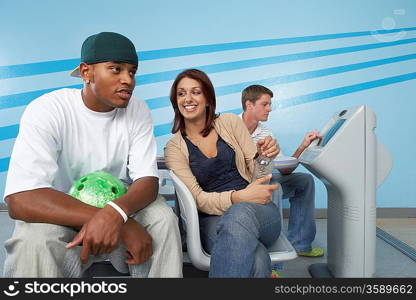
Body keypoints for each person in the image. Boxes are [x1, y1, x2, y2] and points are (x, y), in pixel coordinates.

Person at [3, 32, 183, 277]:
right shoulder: (48, 109)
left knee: (163, 220)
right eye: (116, 69)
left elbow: (147, 181)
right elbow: (21, 199)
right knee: (32, 241)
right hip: (62, 210)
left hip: (121, 204)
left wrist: (116, 214)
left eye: (132, 72)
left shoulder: (138, 109)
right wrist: (118, 222)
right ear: (86, 73)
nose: (127, 80)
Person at [164, 69, 281, 278]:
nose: (188, 99)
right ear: (176, 101)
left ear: (208, 98)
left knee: (240, 214)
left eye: (195, 92)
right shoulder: (174, 148)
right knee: (258, 258)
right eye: (181, 94)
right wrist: (237, 197)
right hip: (211, 219)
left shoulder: (230, 122)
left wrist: (265, 157)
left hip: (259, 212)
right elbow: (198, 200)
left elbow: (259, 176)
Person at [240, 84, 324, 257]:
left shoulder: (266, 132)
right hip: (240, 185)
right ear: (249, 105)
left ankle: (300, 244)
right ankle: (274, 257)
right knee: (273, 188)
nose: (269, 109)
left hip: (262, 178)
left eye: (270, 104)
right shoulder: (229, 125)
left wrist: (303, 146)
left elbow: (284, 168)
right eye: (265, 104)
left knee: (304, 181)